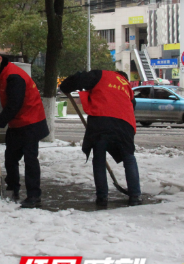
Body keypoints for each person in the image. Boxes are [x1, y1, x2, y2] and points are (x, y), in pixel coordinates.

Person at [59, 69, 141, 207]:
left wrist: (65, 86)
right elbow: (132, 105)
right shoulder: (126, 85)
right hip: (125, 125)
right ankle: (135, 196)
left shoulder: (102, 74)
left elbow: (80, 78)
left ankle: (102, 197)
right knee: (129, 158)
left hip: (101, 121)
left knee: (99, 159)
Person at [0, 48, 49, 208]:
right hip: (18, 123)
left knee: (30, 159)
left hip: (31, 121)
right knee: (11, 157)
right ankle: (12, 188)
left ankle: (34, 195)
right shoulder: (4, 74)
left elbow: (14, 104)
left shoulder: (14, 76)